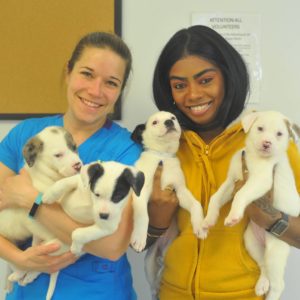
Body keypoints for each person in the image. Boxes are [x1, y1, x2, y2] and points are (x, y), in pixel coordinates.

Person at [146, 25, 300, 300]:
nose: (193, 95)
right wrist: (155, 224)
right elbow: (128, 240)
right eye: (180, 85)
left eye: (205, 80)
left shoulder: (271, 141)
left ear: (228, 78)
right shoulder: (166, 148)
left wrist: (273, 220)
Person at [0, 31, 142, 299]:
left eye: (111, 82)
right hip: (28, 292)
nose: (95, 91)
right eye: (87, 74)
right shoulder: (26, 135)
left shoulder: (126, 151)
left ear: (120, 91)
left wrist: (31, 200)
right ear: (68, 71)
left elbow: (111, 244)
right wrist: (18, 259)